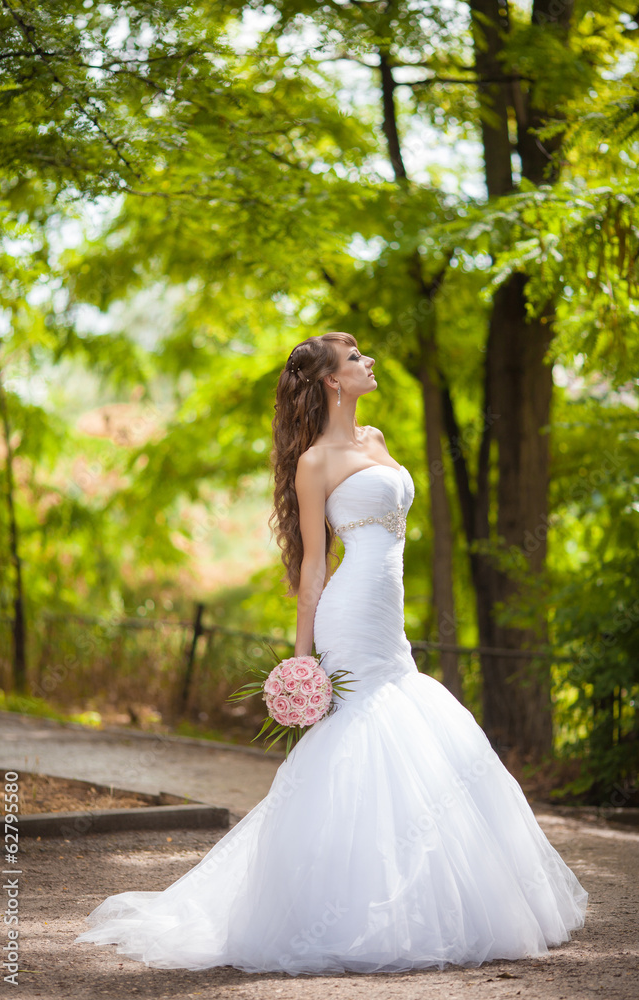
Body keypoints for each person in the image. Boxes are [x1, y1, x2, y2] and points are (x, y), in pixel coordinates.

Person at [75, 331, 588, 975]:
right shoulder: (314, 462)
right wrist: (300, 663)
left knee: (411, 722)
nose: (368, 362)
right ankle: (345, 907)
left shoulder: (374, 440)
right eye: (355, 359)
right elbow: (314, 569)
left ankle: (417, 895)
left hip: (388, 614)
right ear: (330, 382)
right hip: (346, 614)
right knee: (364, 733)